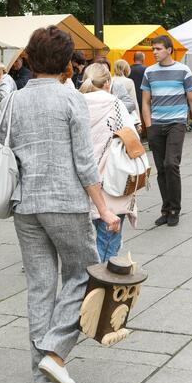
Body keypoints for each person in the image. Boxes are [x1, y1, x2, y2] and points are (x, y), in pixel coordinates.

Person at [0, 26, 120, 383]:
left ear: (30, 60)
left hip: (25, 204)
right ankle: (56, 354)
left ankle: (41, 375)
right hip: (64, 202)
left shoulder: (13, 100)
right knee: (85, 274)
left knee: (40, 286)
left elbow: (3, 148)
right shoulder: (70, 101)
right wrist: (105, 210)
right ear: (67, 64)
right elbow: (85, 164)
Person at [141, 35, 192, 227]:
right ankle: (166, 208)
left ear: (169, 50)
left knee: (171, 164)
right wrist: (149, 126)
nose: (154, 52)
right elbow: (145, 101)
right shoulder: (149, 72)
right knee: (161, 169)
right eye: (153, 49)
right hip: (156, 125)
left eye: (158, 49)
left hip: (176, 123)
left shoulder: (184, 71)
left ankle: (175, 209)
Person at [80, 63, 139, 261]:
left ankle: (88, 283)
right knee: (109, 239)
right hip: (112, 179)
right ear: (107, 82)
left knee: (87, 240)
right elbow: (132, 139)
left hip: (82, 181)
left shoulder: (76, 102)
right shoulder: (114, 103)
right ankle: (101, 284)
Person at [111, 59, 142, 130]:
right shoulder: (129, 82)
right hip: (127, 115)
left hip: (113, 115)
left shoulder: (110, 80)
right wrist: (138, 122)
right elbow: (134, 102)